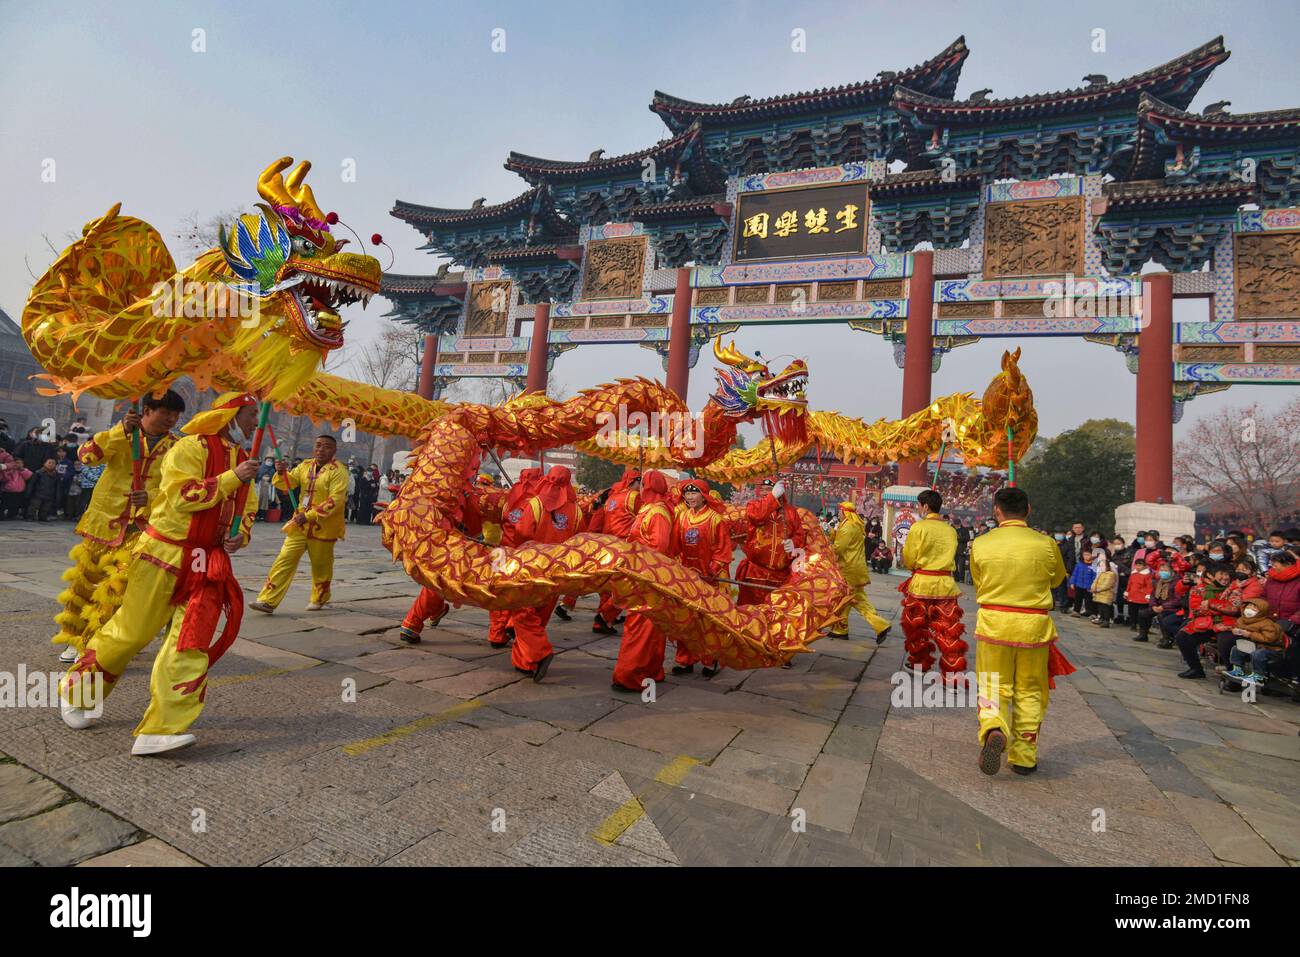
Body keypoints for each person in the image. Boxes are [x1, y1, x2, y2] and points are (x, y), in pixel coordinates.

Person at [58, 392, 260, 756]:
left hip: (206, 563)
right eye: (249, 415)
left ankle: (163, 728)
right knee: (130, 633)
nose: (255, 423)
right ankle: (77, 694)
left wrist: (240, 535)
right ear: (229, 416)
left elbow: (249, 507)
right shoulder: (189, 449)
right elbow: (184, 495)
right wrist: (232, 478)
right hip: (164, 552)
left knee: (190, 642)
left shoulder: (243, 459)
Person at [51, 392, 184, 664]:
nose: (171, 419)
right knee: (84, 584)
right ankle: (73, 638)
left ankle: (94, 644)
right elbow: (87, 456)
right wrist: (119, 431)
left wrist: (150, 498)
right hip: (103, 522)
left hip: (142, 529)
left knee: (116, 589)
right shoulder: (122, 434)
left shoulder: (178, 447)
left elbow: (177, 487)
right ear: (146, 410)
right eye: (166, 412)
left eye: (175, 415)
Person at [971, 486, 1070, 776]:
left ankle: (993, 726)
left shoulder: (981, 543)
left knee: (991, 684)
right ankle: (1024, 756)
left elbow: (979, 582)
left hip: (993, 622)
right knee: (1030, 690)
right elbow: (1056, 580)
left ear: (996, 511)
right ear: (1029, 510)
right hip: (1033, 625)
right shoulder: (1047, 544)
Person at [250, 435, 349, 614]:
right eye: (318, 445)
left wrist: (310, 515)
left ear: (334, 451)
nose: (321, 449)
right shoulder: (304, 466)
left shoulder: (339, 471)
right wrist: (281, 472)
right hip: (299, 525)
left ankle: (319, 597)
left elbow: (336, 500)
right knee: (284, 558)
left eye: (326, 447)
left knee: (321, 566)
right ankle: (267, 600)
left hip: (324, 528)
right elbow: (287, 483)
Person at [508, 465, 580, 682]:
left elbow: (521, 531)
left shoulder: (536, 504)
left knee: (521, 611)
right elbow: (579, 538)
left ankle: (539, 652)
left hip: (532, 566)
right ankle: (524, 661)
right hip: (558, 570)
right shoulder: (575, 510)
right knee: (540, 616)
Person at [612, 470, 676, 691]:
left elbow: (659, 546)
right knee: (651, 628)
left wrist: (636, 552)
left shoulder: (658, 512)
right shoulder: (648, 508)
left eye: (643, 484)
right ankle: (651, 671)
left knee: (639, 628)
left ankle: (630, 676)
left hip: (648, 577)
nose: (639, 488)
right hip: (643, 574)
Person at [899, 489, 967, 684]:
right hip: (945, 585)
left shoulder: (918, 527)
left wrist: (914, 565)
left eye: (919, 506)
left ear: (926, 507)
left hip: (922, 583)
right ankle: (953, 676)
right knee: (948, 630)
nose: (918, 509)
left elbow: (910, 558)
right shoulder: (951, 530)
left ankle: (919, 664)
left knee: (917, 627)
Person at [670, 479, 731, 677]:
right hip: (689, 577)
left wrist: (710, 570)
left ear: (703, 496)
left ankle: (709, 660)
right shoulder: (683, 517)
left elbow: (723, 552)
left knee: (709, 622)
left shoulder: (716, 519)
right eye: (687, 494)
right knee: (685, 620)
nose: (690, 497)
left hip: (710, 578)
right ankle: (684, 659)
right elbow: (676, 547)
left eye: (694, 494)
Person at [735, 477, 804, 606]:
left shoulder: (791, 512)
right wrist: (772, 497)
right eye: (763, 489)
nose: (765, 492)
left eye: (769, 489)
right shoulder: (754, 506)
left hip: (780, 577)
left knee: (774, 616)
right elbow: (757, 516)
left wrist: (793, 542)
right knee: (750, 612)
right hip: (755, 574)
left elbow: (799, 534)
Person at [829, 500, 891, 643]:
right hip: (856, 567)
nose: (838, 513)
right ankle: (840, 629)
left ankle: (881, 625)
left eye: (840, 510)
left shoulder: (847, 527)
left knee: (849, 599)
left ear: (844, 512)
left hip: (848, 569)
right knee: (853, 599)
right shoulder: (854, 525)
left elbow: (839, 548)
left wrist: (826, 546)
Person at [593, 468, 641, 635]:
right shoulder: (634, 497)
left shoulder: (613, 497)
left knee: (609, 585)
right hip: (624, 547)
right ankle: (605, 615)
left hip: (608, 545)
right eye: (639, 483)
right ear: (634, 482)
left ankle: (604, 619)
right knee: (627, 587)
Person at [1173, 562, 1241, 679]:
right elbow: (1196, 610)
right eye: (1221, 574)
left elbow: (1234, 609)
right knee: (1182, 636)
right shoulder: (1199, 589)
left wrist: (1210, 604)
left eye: (1227, 575)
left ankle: (1232, 676)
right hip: (1206, 623)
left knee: (1225, 641)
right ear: (1210, 575)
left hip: (1227, 624)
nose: (1225, 578)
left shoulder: (1234, 588)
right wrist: (1220, 608)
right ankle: (1196, 669)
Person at [1225, 598, 1286, 684]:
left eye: (1254, 608)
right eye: (1249, 606)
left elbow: (1269, 638)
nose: (1250, 609)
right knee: (1237, 649)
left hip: (1272, 649)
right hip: (1255, 645)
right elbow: (1237, 627)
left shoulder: (1267, 623)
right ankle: (1237, 670)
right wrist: (1235, 630)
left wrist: (1250, 634)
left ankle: (1259, 676)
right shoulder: (1242, 620)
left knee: (1258, 654)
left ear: (1261, 611)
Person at [0, 448, 32, 519]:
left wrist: (22, 470)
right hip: (8, 491)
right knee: (4, 504)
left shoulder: (24, 470)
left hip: (19, 492)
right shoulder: (9, 470)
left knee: (15, 505)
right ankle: (1, 515)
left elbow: (29, 475)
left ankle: (12, 515)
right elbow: (4, 478)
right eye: (17, 463)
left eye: (20, 463)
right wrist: (9, 471)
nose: (18, 464)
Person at [1089, 553, 1117, 628]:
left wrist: (1098, 589)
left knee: (1105, 608)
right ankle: (1101, 618)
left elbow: (1107, 584)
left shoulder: (1111, 574)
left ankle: (1106, 620)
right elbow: (1095, 581)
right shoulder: (1101, 574)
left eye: (1103, 566)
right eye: (1100, 566)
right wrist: (1093, 587)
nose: (1101, 567)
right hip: (1099, 594)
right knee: (1100, 607)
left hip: (1106, 594)